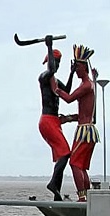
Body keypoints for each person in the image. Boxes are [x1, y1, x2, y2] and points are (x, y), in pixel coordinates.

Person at [51, 44, 98, 202]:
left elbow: (69, 98)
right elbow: (85, 112)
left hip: (85, 131)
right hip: (87, 129)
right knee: (81, 165)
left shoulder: (86, 85)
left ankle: (83, 198)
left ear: (83, 67)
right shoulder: (90, 85)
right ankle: (87, 196)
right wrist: (68, 118)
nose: (75, 70)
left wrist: (56, 89)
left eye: (76, 67)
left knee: (75, 163)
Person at [38, 35, 76, 201]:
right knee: (66, 153)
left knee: (63, 155)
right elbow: (51, 70)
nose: (57, 66)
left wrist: (72, 72)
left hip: (54, 121)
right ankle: (53, 185)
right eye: (55, 62)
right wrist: (49, 46)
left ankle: (56, 192)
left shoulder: (56, 80)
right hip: (47, 120)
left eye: (59, 62)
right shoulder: (44, 77)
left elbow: (67, 90)